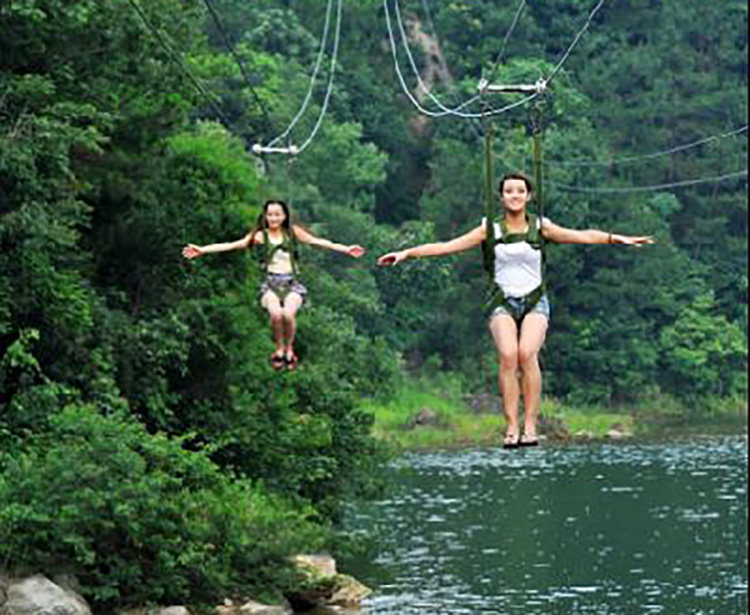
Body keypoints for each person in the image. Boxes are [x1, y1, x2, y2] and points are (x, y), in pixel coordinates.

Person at [378, 173, 653, 448]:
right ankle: (511, 425)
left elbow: (581, 236)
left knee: (526, 353)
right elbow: (447, 246)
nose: (515, 195)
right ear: (501, 197)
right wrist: (406, 253)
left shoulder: (540, 226)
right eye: (509, 191)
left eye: (520, 191)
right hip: (503, 301)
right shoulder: (490, 229)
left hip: (535, 300)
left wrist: (616, 238)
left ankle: (530, 424)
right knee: (508, 355)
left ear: (528, 196)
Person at [183, 199, 365, 371]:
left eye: (277, 214)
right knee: (276, 314)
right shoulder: (261, 236)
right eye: (270, 215)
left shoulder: (292, 233)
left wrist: (346, 249)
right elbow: (233, 245)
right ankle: (279, 348)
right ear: (265, 216)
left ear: (284, 216)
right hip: (271, 284)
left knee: (287, 314)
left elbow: (318, 242)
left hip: (292, 283)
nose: (273, 218)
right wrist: (203, 250)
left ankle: (289, 348)